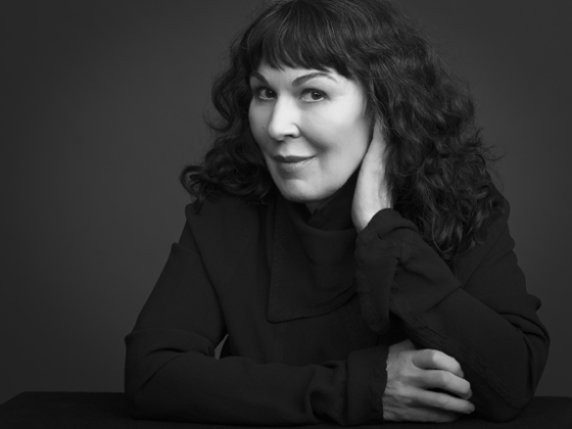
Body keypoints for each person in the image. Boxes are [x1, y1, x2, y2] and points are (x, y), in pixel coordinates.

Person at [124, 0, 549, 424]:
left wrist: (382, 229)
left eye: (314, 93)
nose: (277, 126)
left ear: (385, 106)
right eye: (265, 93)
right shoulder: (228, 212)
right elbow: (152, 374)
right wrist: (360, 388)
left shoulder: (459, 201)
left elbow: (511, 382)